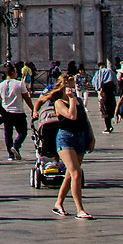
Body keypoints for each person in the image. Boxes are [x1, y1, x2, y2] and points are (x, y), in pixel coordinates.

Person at [40, 75, 94, 219]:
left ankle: (58, 203)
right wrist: (71, 99)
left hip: (81, 137)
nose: (73, 88)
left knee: (71, 174)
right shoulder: (58, 102)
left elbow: (84, 119)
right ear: (64, 86)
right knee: (76, 172)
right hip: (66, 138)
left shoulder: (78, 100)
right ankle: (80, 209)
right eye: (70, 85)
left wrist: (92, 137)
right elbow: (72, 116)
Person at [0, 67, 31, 159]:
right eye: (15, 72)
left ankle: (10, 154)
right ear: (12, 73)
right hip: (18, 111)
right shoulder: (20, 84)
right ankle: (16, 146)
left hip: (6, 112)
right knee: (23, 132)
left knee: (8, 134)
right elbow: (26, 97)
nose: (17, 73)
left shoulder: (0, 85)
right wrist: (33, 108)